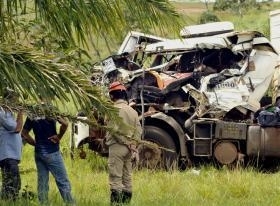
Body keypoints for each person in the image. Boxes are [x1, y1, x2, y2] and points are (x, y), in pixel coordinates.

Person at [21, 101, 75, 205]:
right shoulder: (51, 109)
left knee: (42, 183)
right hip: (51, 151)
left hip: (39, 153)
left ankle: (43, 204)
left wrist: (34, 143)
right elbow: (65, 123)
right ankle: (70, 204)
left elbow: (24, 133)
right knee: (63, 181)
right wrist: (59, 136)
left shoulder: (33, 111)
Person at [106, 81, 142, 205]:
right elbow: (138, 131)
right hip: (130, 150)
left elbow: (113, 130)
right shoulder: (133, 112)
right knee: (127, 178)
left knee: (115, 178)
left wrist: (126, 142)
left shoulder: (112, 110)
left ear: (112, 96)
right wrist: (133, 145)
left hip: (117, 147)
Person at [0, 89, 23, 200]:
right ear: (7, 100)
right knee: (14, 182)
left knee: (9, 182)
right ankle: (11, 201)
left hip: (12, 155)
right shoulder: (1, 113)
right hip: (7, 155)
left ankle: (7, 201)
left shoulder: (10, 114)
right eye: (14, 100)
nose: (16, 103)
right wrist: (21, 112)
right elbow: (17, 128)